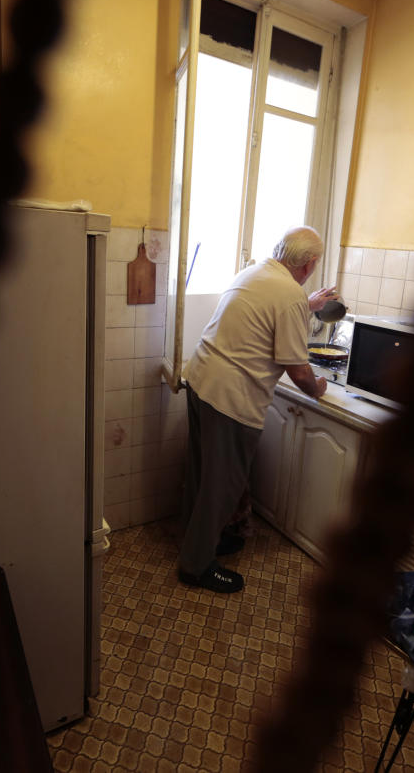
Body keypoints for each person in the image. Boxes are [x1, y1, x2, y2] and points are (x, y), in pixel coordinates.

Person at [177, 226, 339, 592]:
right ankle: (197, 565)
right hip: (230, 397)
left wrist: (306, 305)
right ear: (310, 263)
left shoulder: (255, 272)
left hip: (202, 379)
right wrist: (320, 387)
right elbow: (299, 372)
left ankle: (197, 541)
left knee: (204, 473)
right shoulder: (289, 294)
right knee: (224, 484)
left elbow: (272, 310)